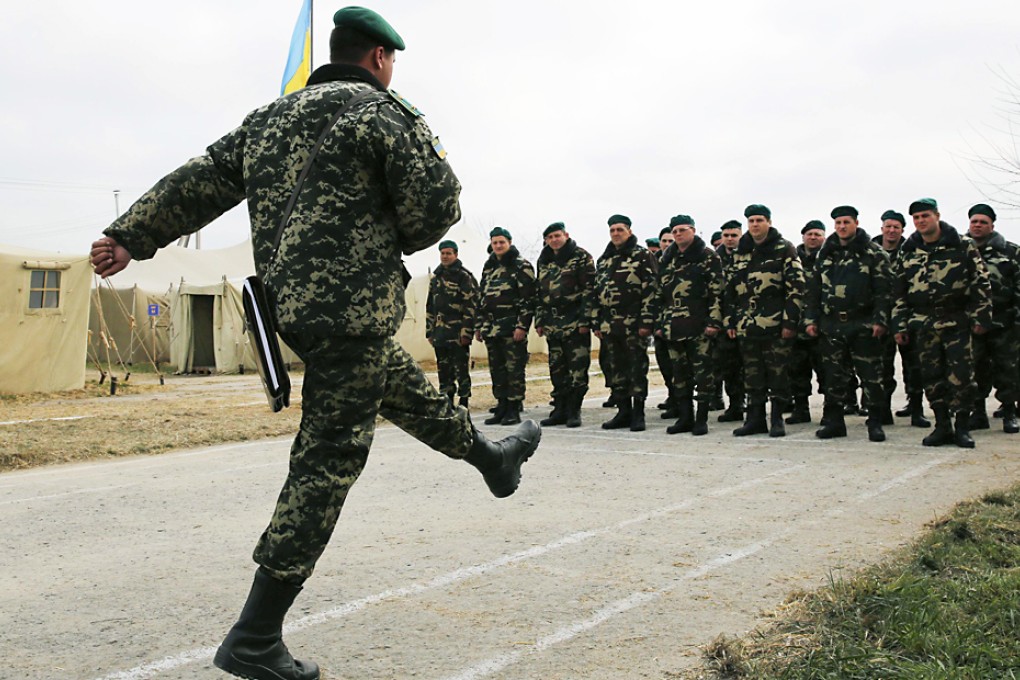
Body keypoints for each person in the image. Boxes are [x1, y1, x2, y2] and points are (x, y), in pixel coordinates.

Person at [90, 9, 542, 680]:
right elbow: (435, 209)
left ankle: (490, 459)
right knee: (325, 465)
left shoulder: (269, 118)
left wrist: (132, 234)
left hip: (291, 309)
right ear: (380, 58)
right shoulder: (382, 112)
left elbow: (204, 177)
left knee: (399, 386)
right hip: (352, 307)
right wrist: (397, 223)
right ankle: (255, 637)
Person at [892, 198, 992, 448]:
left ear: (937, 215)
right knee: (931, 377)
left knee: (961, 376)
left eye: (925, 215)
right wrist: (899, 324)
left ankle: (961, 427)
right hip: (923, 324)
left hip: (956, 320)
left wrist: (981, 317)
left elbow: (981, 283)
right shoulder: (909, 250)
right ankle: (942, 425)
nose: (921, 221)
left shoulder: (962, 245)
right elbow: (899, 291)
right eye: (916, 218)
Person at [805, 206, 892, 441]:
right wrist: (811, 319)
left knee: (871, 377)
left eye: (846, 222)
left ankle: (875, 422)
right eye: (838, 223)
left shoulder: (873, 253)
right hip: (832, 324)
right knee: (833, 376)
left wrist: (880, 320)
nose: (842, 227)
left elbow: (884, 291)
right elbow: (814, 289)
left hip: (862, 324)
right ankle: (834, 422)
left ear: (856, 223)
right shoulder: (827, 253)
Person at [724, 204, 805, 437]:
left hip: (775, 325)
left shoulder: (784, 248)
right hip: (747, 326)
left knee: (778, 373)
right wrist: (731, 321)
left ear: (768, 222)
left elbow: (796, 288)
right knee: (752, 375)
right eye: (751, 221)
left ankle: (777, 418)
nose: (755, 224)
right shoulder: (741, 251)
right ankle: (755, 419)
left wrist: (790, 322)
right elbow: (730, 290)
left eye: (759, 220)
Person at [656, 215, 723, 435]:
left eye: (682, 230)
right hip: (673, 327)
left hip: (699, 326)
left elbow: (717, 292)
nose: (677, 235)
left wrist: (714, 321)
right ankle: (685, 418)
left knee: (703, 375)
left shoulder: (707, 257)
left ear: (693, 230)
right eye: (674, 231)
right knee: (679, 375)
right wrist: (659, 322)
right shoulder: (667, 259)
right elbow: (659, 294)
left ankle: (701, 419)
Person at [593, 214, 659, 431]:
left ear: (629, 231)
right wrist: (597, 323)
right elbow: (597, 293)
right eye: (612, 230)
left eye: (620, 230)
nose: (616, 234)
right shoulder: (605, 259)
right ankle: (623, 411)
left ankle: (638, 413)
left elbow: (651, 290)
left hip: (634, 324)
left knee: (636, 369)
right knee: (616, 369)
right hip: (610, 325)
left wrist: (646, 321)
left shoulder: (642, 255)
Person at [964, 203, 1020, 433]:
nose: (977, 226)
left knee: (1008, 369)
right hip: (972, 324)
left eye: (983, 222)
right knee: (974, 369)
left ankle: (1009, 412)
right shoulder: (960, 250)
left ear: (992, 226)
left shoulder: (1010, 252)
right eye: (974, 221)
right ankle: (978, 413)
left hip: (1004, 323)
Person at [535, 222, 596, 428]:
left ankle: (574, 410)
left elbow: (589, 290)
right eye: (550, 237)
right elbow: (540, 293)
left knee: (577, 370)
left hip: (575, 322)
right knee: (557, 369)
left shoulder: (581, 256)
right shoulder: (544, 260)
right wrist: (540, 319)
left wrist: (585, 320)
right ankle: (559, 409)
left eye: (557, 236)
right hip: (553, 324)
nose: (554, 240)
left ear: (566, 235)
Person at [874, 210, 929, 427]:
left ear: (902, 230)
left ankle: (916, 408)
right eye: (888, 226)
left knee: (914, 366)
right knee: (882, 367)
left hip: (908, 317)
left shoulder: (912, 251)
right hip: (882, 318)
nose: (891, 230)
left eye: (896, 227)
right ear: (882, 228)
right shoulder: (872, 252)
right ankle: (883, 409)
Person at [477, 226, 537, 426]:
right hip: (492, 329)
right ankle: (501, 405)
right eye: (495, 242)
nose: (498, 245)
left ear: (509, 243)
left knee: (514, 369)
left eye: (502, 242)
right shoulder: (489, 267)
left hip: (512, 328)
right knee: (497, 369)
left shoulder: (521, 266)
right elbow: (482, 297)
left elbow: (528, 299)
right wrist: (479, 325)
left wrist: (522, 326)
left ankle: (514, 408)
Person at [426, 239, 479, 409]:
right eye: (442, 253)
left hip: (457, 332)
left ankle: (464, 400)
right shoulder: (436, 278)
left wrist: (466, 332)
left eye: (449, 253)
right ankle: (446, 400)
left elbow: (470, 306)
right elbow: (430, 306)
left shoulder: (464, 277)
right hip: (440, 332)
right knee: (443, 368)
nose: (445, 256)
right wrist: (429, 331)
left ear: (456, 254)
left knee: (461, 369)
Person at [787, 220, 827, 424]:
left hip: (823, 328)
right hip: (797, 326)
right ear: (803, 237)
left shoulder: (830, 258)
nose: (813, 237)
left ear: (824, 237)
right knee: (797, 372)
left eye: (817, 234)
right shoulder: (792, 259)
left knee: (828, 373)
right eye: (809, 234)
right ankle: (800, 409)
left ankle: (831, 411)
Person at [714, 220, 745, 422]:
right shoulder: (714, 259)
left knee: (752, 367)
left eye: (734, 235)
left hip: (749, 320)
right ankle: (735, 405)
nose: (730, 239)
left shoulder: (749, 254)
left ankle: (755, 407)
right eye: (726, 235)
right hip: (723, 322)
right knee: (729, 367)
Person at [654, 225, 678, 417]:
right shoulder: (655, 263)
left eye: (671, 241)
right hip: (660, 324)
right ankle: (672, 396)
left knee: (680, 366)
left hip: (681, 325)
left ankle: (681, 402)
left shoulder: (681, 261)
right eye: (665, 241)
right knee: (665, 365)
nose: (668, 244)